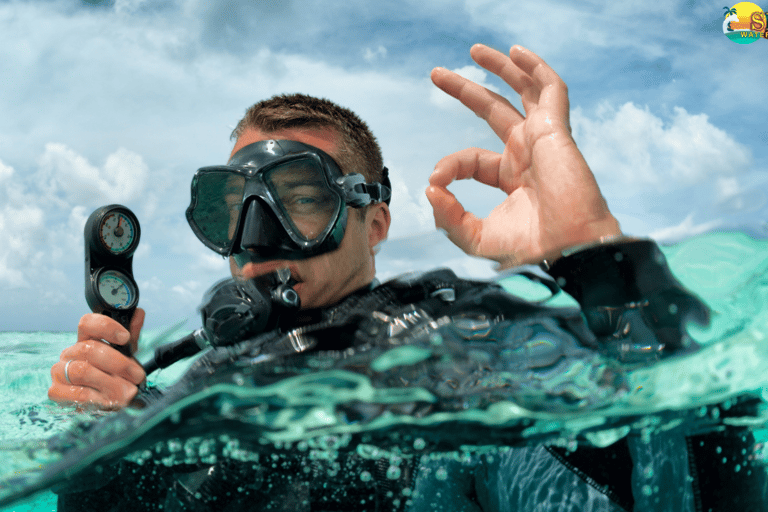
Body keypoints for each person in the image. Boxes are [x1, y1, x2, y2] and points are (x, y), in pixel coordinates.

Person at [45, 44, 765, 511]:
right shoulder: (194, 389)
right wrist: (102, 445)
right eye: (232, 209)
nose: (255, 243)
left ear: (375, 224)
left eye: (300, 199)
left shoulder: (455, 339)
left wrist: (595, 259)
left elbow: (692, 483)